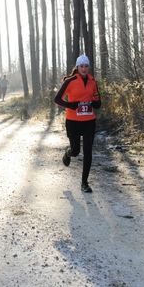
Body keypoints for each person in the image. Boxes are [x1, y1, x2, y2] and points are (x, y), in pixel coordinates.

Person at [54, 54, 101, 193]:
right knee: (76, 151)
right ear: (77, 67)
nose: (84, 68)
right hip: (73, 121)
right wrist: (71, 105)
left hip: (89, 121)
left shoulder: (93, 82)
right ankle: (68, 153)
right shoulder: (70, 81)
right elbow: (57, 99)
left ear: (89, 67)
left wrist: (93, 102)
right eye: (82, 66)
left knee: (88, 152)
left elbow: (98, 103)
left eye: (86, 66)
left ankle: (84, 183)